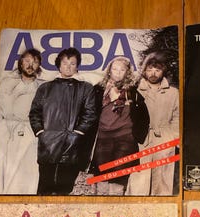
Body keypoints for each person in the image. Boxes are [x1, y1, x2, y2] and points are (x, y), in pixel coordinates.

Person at [29, 47, 98, 195]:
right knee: (44, 189)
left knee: (65, 189)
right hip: (48, 146)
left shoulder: (86, 88)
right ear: (59, 65)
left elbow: (90, 114)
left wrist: (77, 134)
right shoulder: (45, 88)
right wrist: (41, 133)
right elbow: (35, 113)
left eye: (73, 63)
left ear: (77, 66)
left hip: (72, 146)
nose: (68, 67)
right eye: (65, 63)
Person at [92, 57, 149, 195]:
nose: (118, 72)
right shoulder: (99, 89)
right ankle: (101, 203)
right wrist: (109, 98)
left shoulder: (133, 92)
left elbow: (144, 116)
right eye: (115, 69)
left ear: (127, 72)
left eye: (122, 69)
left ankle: (116, 201)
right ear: (109, 70)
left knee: (119, 175)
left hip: (125, 136)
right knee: (101, 174)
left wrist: (137, 136)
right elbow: (91, 110)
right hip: (103, 136)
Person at [0, 49, 44, 194]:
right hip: (4, 130)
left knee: (23, 171)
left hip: (27, 131)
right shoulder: (7, 83)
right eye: (27, 61)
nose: (30, 65)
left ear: (39, 66)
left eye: (35, 62)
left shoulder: (41, 88)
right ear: (20, 63)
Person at [126, 52, 179, 195]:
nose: (153, 73)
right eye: (149, 69)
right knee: (139, 179)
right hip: (141, 139)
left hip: (165, 138)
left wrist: (174, 138)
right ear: (144, 71)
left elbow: (177, 117)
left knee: (162, 180)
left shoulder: (173, 93)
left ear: (163, 71)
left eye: (157, 69)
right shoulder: (135, 91)